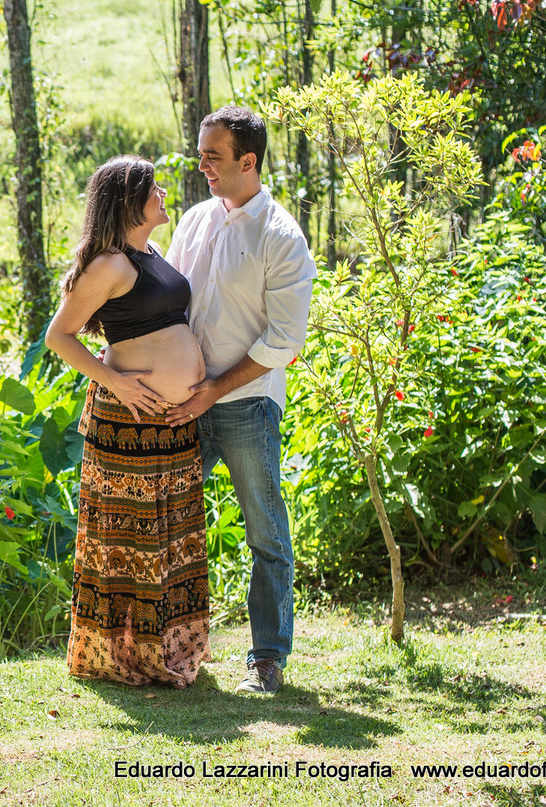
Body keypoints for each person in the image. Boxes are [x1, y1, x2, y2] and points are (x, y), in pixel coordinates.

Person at [164, 107, 317, 694]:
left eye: (212, 156)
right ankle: (167, 650)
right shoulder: (195, 220)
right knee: (168, 524)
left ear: (247, 162)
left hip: (246, 404)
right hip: (183, 402)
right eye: (201, 153)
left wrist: (215, 392)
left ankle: (268, 658)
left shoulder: (280, 236)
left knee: (266, 533)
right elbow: (170, 306)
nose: (201, 165)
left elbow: (284, 340)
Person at [45, 155, 210, 688]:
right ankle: (122, 654)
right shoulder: (110, 264)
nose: (163, 191)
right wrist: (113, 380)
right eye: (152, 186)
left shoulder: (151, 253)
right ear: (128, 200)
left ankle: (164, 648)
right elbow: (59, 336)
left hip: (170, 422)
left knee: (167, 536)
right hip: (129, 423)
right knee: (130, 540)